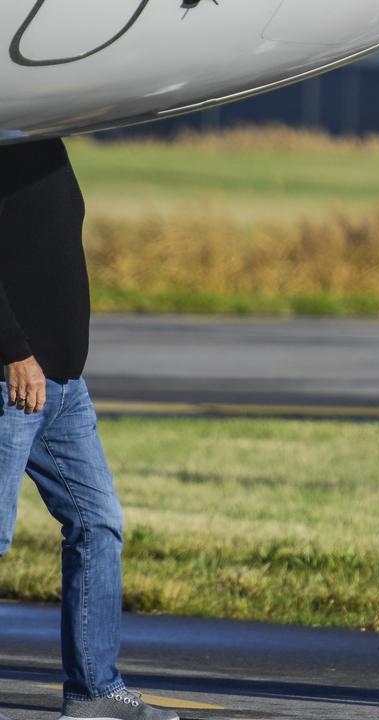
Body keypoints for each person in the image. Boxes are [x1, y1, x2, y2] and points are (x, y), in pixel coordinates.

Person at [0, 139, 179, 720]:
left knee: (98, 521)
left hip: (62, 386)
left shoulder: (43, 139)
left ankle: (94, 692)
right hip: (13, 378)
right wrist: (12, 350)